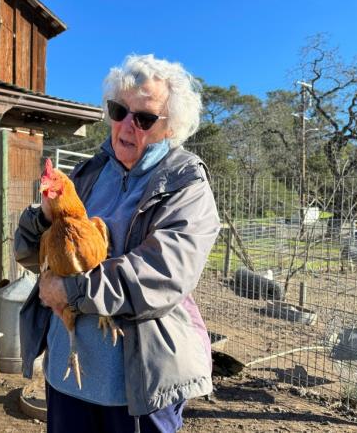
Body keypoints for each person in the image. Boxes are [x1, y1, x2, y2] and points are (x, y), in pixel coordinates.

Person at [14, 54, 220, 433]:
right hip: (69, 373)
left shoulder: (185, 183)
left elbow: (163, 273)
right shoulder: (87, 174)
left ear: (170, 126)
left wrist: (71, 290)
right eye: (119, 110)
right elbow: (28, 253)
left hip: (139, 385)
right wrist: (43, 216)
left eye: (143, 118)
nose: (127, 124)